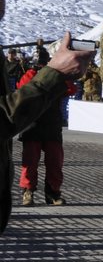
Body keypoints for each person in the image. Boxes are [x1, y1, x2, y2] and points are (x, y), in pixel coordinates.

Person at [2, 37, 93, 262]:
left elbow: (68, 91)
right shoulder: (31, 78)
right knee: (29, 166)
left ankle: (52, 194)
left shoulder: (54, 78)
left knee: (54, 165)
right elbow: (21, 99)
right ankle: (28, 192)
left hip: (52, 129)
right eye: (39, 63)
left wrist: (63, 79)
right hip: (32, 130)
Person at [16, 56, 76, 207]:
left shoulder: (57, 76)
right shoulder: (30, 75)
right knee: (30, 162)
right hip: (33, 125)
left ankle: (53, 193)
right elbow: (22, 87)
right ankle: (27, 192)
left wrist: (59, 73)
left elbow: (71, 88)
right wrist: (35, 72)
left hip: (51, 126)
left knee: (55, 162)